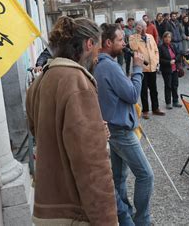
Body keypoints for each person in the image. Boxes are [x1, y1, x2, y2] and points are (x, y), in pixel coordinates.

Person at [26, 16, 117, 225]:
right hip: (72, 214)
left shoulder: (40, 81)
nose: (97, 57)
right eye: (98, 48)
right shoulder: (77, 82)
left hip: (46, 208)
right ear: (89, 44)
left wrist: (93, 132)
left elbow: (41, 133)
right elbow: (92, 166)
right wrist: (108, 221)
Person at [94, 24, 154, 225]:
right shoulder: (109, 65)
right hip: (120, 131)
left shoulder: (99, 64)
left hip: (112, 127)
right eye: (120, 40)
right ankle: (142, 221)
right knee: (146, 175)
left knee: (119, 177)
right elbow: (132, 95)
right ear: (109, 42)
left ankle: (123, 216)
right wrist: (137, 68)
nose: (124, 43)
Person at [129, 20, 165, 118]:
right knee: (143, 90)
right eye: (141, 27)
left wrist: (156, 62)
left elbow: (156, 50)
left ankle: (155, 108)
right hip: (142, 68)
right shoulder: (133, 37)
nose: (144, 29)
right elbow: (134, 47)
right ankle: (145, 110)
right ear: (137, 28)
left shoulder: (150, 37)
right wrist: (137, 34)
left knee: (154, 89)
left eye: (145, 27)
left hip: (152, 66)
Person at [158, 32, 183, 109]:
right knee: (168, 86)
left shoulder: (173, 45)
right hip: (166, 69)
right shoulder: (161, 47)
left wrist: (175, 60)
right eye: (166, 37)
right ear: (163, 38)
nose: (167, 39)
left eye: (169, 37)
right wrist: (168, 62)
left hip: (175, 69)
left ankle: (175, 101)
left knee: (175, 85)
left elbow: (179, 54)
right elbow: (159, 59)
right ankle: (168, 102)